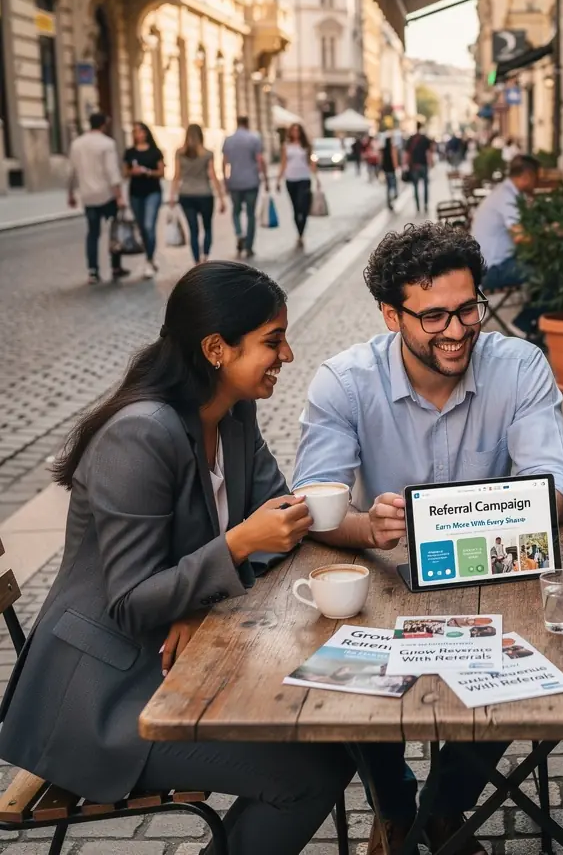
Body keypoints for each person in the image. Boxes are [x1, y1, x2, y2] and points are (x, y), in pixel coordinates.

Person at [0, 262, 354, 855]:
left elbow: (280, 516)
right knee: (310, 774)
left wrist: (371, 526)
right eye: (272, 341)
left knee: (333, 734)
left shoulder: (232, 412)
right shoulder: (139, 435)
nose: (287, 355)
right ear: (216, 349)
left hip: (183, 668)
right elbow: (131, 602)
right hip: (103, 699)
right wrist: (238, 544)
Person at [292, 221, 563, 855]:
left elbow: (556, 485)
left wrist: (510, 512)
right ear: (391, 316)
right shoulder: (345, 380)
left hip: (495, 576)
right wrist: (368, 526)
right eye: (433, 317)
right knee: (346, 663)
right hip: (387, 578)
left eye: (469, 308)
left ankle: (446, 808)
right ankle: (395, 809)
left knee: (526, 659)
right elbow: (313, 503)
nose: (457, 330)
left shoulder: (519, 365)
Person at [472, 153, 545, 339]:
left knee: (543, 271)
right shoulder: (507, 198)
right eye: (537, 178)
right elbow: (520, 236)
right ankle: (522, 325)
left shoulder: (507, 193)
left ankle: (534, 324)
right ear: (527, 176)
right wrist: (550, 240)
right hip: (492, 269)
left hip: (491, 264)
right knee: (548, 276)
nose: (537, 184)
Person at [67, 111, 130, 285]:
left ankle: (93, 271)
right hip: (107, 195)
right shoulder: (107, 143)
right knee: (114, 231)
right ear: (103, 124)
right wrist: (119, 196)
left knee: (92, 233)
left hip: (88, 195)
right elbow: (112, 172)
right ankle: (115, 266)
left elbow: (71, 171)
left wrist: (70, 193)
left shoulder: (77, 144)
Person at [170, 124, 226, 264]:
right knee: (207, 227)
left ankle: (196, 261)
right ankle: (205, 256)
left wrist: (172, 195)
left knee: (193, 229)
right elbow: (212, 175)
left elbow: (177, 175)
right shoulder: (207, 153)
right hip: (205, 194)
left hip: (186, 194)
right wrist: (221, 197)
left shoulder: (179, 153)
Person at [123, 121, 164, 278]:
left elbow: (161, 172)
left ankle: (149, 259)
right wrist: (132, 172)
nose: (137, 134)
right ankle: (149, 256)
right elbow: (125, 173)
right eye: (134, 132)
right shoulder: (130, 152)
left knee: (148, 226)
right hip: (135, 193)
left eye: (139, 131)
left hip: (152, 192)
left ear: (146, 133)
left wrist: (147, 172)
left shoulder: (155, 152)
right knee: (141, 227)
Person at [222, 115, 267, 259]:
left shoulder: (229, 140)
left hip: (235, 181)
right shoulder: (254, 138)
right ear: (247, 123)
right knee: (250, 214)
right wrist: (265, 178)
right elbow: (260, 160)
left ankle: (239, 233)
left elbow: (224, 162)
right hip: (251, 181)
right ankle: (249, 246)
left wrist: (225, 181)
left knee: (235, 211)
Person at [277, 123, 316, 247]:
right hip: (291, 179)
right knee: (295, 208)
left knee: (302, 206)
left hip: (304, 178)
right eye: (293, 130)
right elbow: (283, 163)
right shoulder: (286, 146)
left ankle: (302, 230)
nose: (295, 133)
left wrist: (317, 178)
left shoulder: (306, 146)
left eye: (297, 130)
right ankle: (299, 233)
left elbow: (311, 162)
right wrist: (278, 179)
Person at [404, 122, 433, 213]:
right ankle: (425, 205)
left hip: (414, 166)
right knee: (425, 186)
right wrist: (431, 164)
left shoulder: (411, 139)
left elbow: (407, 153)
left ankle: (417, 206)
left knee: (415, 186)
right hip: (423, 164)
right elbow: (429, 153)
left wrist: (405, 164)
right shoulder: (425, 138)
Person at [380, 128, 399, 210]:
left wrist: (381, 168)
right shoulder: (392, 149)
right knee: (393, 186)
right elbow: (394, 159)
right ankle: (393, 198)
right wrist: (396, 167)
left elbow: (381, 160)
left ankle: (389, 202)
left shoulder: (383, 150)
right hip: (391, 170)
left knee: (388, 187)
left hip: (386, 170)